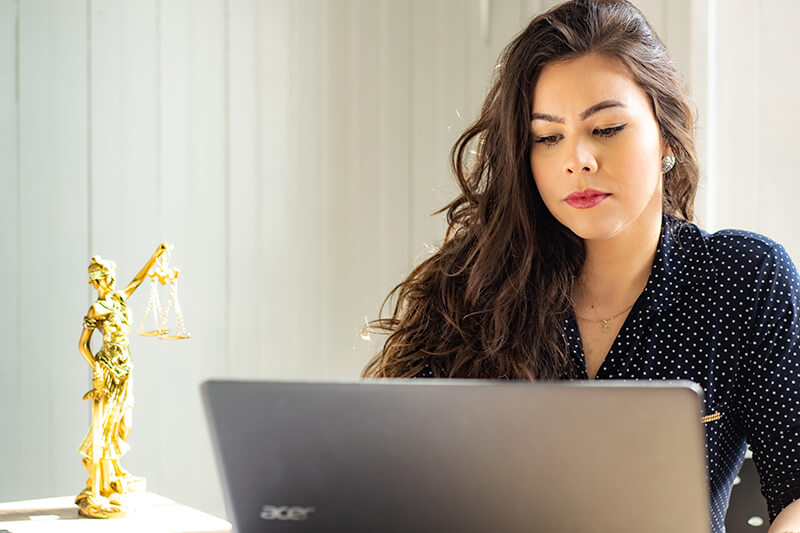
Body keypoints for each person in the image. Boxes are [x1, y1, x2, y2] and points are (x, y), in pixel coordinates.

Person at [361, 1, 800, 531]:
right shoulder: (471, 288)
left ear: (665, 135)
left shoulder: (742, 279)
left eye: (607, 128)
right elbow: (388, 485)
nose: (578, 160)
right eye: (548, 138)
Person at [75, 244, 167, 518]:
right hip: (108, 369)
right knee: (104, 426)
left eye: (108, 277)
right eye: (102, 278)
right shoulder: (96, 308)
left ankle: (113, 475)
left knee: (123, 426)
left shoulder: (119, 299)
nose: (107, 282)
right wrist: (96, 369)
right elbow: (82, 345)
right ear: (97, 281)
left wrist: (155, 256)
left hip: (126, 368)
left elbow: (138, 280)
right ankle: (99, 486)